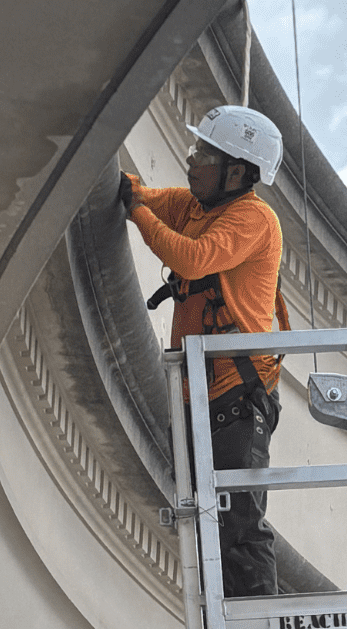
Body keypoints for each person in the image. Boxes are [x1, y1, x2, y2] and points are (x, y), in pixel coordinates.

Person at [122, 105, 286, 597]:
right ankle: (223, 628)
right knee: (206, 520)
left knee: (238, 520)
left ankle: (261, 624)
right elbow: (153, 195)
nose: (192, 161)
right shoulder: (199, 206)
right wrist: (130, 191)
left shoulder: (253, 218)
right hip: (202, 393)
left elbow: (191, 260)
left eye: (204, 154)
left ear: (237, 171)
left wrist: (135, 211)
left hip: (238, 394)